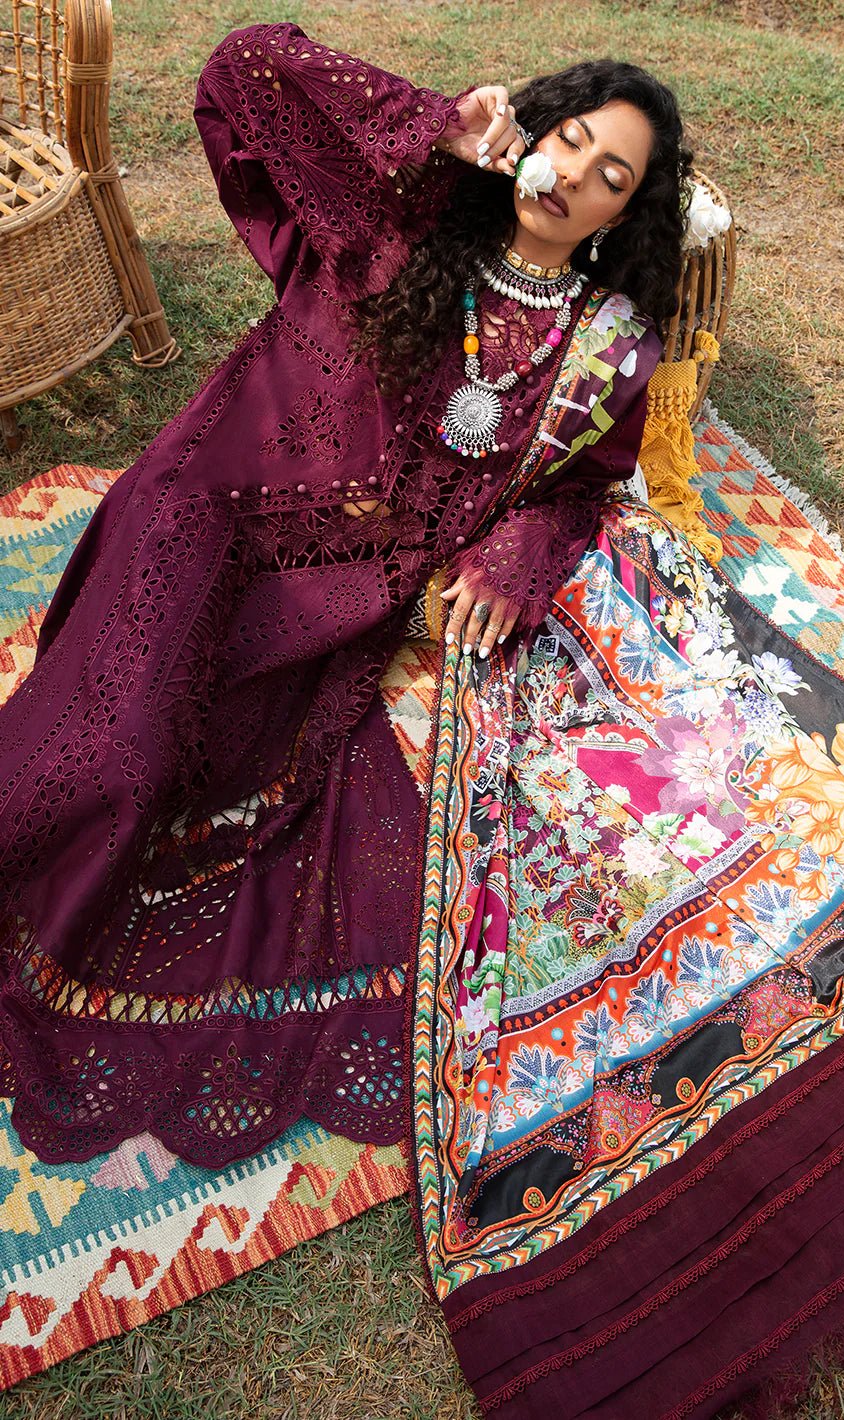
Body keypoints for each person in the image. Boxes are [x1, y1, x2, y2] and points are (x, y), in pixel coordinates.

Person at [0, 20, 689, 1168]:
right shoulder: (397, 218)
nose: (574, 174)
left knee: (200, 784)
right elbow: (240, 70)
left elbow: (584, 490)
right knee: (110, 761)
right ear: (532, 132)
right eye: (569, 139)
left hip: (330, 607)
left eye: (610, 175)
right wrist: (436, 124)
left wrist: (516, 550)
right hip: (201, 513)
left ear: (624, 216)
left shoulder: (604, 353)